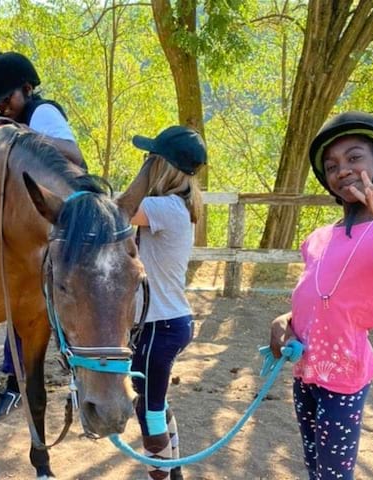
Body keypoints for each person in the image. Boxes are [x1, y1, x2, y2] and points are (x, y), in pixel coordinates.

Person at [269, 111, 373, 480]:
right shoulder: (318, 238)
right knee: (315, 466)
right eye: (332, 165)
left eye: (354, 157)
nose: (342, 169)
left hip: (343, 381)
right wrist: (284, 323)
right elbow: (315, 298)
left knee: (333, 474)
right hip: (306, 374)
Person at [0, 51, 86, 423]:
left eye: (7, 99)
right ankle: (13, 377)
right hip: (26, 224)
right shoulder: (20, 116)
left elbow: (75, 156)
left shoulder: (42, 114)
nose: (4, 107)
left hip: (54, 225)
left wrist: (21, 136)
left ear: (27, 88)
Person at [129, 125, 207, 480]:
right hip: (169, 320)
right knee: (152, 403)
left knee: (149, 411)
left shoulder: (161, 207)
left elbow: (116, 210)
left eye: (151, 158)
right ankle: (174, 472)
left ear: (162, 166)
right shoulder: (176, 207)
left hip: (160, 324)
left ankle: (162, 476)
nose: (145, 162)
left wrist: (144, 174)